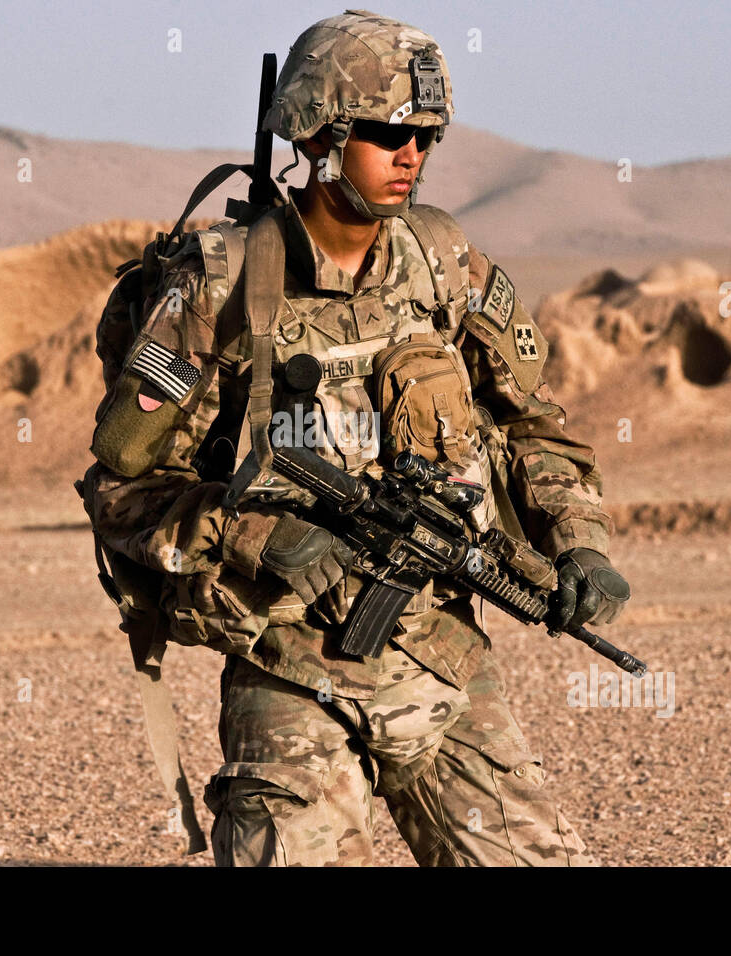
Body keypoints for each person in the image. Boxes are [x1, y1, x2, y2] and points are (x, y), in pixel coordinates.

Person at [82, 9, 630, 866]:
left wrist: (580, 544)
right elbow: (119, 494)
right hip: (290, 666)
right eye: (386, 132)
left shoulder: (444, 264)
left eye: (427, 136)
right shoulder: (221, 284)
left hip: (441, 658)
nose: (411, 153)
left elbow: (532, 425)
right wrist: (258, 533)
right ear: (323, 134)